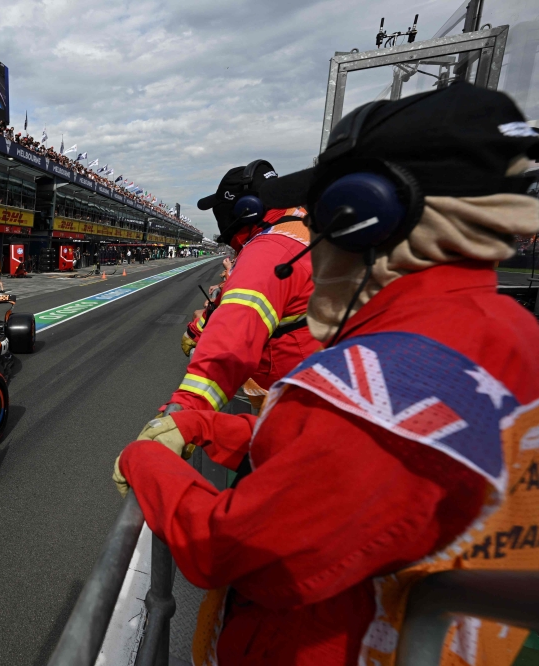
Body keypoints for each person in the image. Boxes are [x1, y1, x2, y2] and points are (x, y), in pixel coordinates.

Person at [113, 84, 539, 666]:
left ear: (366, 216)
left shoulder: (391, 382)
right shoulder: (514, 330)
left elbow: (231, 547)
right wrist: (208, 431)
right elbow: (327, 458)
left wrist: (146, 460)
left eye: (327, 214)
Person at [165, 159, 320, 418]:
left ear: (246, 208)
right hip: (314, 381)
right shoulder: (306, 224)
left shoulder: (267, 251)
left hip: (292, 400)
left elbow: (230, 343)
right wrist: (198, 326)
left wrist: (183, 415)